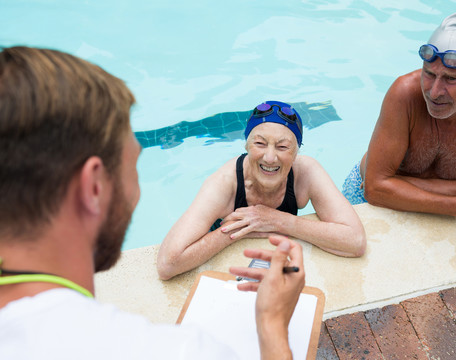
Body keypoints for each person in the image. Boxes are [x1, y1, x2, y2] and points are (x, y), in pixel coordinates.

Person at [0, 46, 305, 360]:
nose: (136, 193)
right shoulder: (170, 351)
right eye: (133, 166)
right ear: (93, 187)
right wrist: (271, 323)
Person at [157, 100, 367, 279]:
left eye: (283, 147)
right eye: (260, 143)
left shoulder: (306, 171)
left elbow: (355, 241)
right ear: (247, 146)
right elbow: (168, 264)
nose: (269, 157)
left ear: (296, 153)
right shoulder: (224, 183)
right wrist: (238, 230)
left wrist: (278, 221)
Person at [342, 11, 456, 217]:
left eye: (451, 79)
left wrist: (393, 185)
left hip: (408, 197)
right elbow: (373, 190)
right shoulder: (404, 93)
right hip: (364, 194)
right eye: (429, 73)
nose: (434, 92)